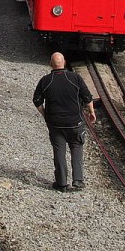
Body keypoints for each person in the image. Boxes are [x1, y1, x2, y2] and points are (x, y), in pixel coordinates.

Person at [32, 52, 96, 192]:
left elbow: (37, 100)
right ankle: (78, 180)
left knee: (59, 151)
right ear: (65, 62)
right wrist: (91, 112)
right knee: (76, 147)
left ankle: (61, 183)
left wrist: (45, 114)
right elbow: (87, 97)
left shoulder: (45, 80)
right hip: (75, 122)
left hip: (55, 124)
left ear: (51, 64)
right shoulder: (74, 78)